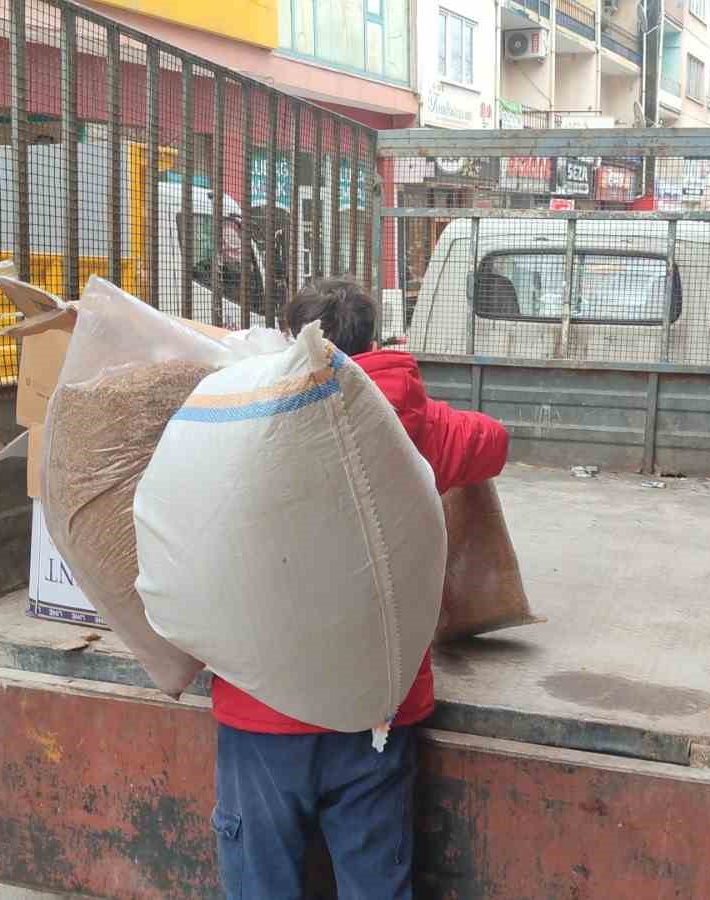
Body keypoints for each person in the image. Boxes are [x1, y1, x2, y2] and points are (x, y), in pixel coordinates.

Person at [209, 277, 509, 899]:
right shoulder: (412, 425)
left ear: (293, 339)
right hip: (375, 709)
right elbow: (494, 443)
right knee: (376, 882)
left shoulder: (235, 414)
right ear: (373, 339)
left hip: (262, 710)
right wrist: (424, 420)